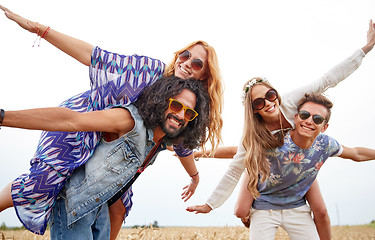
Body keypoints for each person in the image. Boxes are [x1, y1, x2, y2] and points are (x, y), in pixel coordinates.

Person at [0, 5, 223, 237]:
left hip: (116, 148)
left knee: (119, 204)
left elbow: (182, 144)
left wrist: (194, 177)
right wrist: (40, 29)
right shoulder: (148, 72)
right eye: (185, 55)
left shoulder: (187, 106)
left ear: (204, 75)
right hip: (83, 126)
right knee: (43, 182)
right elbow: (95, 57)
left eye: (197, 63)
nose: (187, 63)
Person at [187, 19, 375, 240]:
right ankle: (252, 212)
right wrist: (210, 204)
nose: (267, 103)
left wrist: (364, 50)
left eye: (270, 95)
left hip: (299, 166)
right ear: (253, 110)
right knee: (242, 204)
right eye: (258, 103)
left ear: (276, 93)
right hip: (268, 178)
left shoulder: (292, 103)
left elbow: (328, 79)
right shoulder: (253, 136)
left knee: (320, 210)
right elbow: (234, 168)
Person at [0, 76, 210, 239]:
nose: (181, 115)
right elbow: (71, 120)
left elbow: (186, 153)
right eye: (176, 105)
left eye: (189, 113)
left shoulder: (162, 142)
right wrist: (4, 117)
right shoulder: (130, 122)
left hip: (99, 210)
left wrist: (195, 178)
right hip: (73, 206)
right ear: (162, 102)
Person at [234, 93, 375, 239]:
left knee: (321, 211)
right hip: (264, 206)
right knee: (241, 212)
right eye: (304, 115)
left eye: (317, 119)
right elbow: (241, 150)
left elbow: (356, 153)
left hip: (296, 207)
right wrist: (210, 152)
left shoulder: (325, 144)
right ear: (296, 117)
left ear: (324, 126)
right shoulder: (278, 139)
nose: (309, 121)